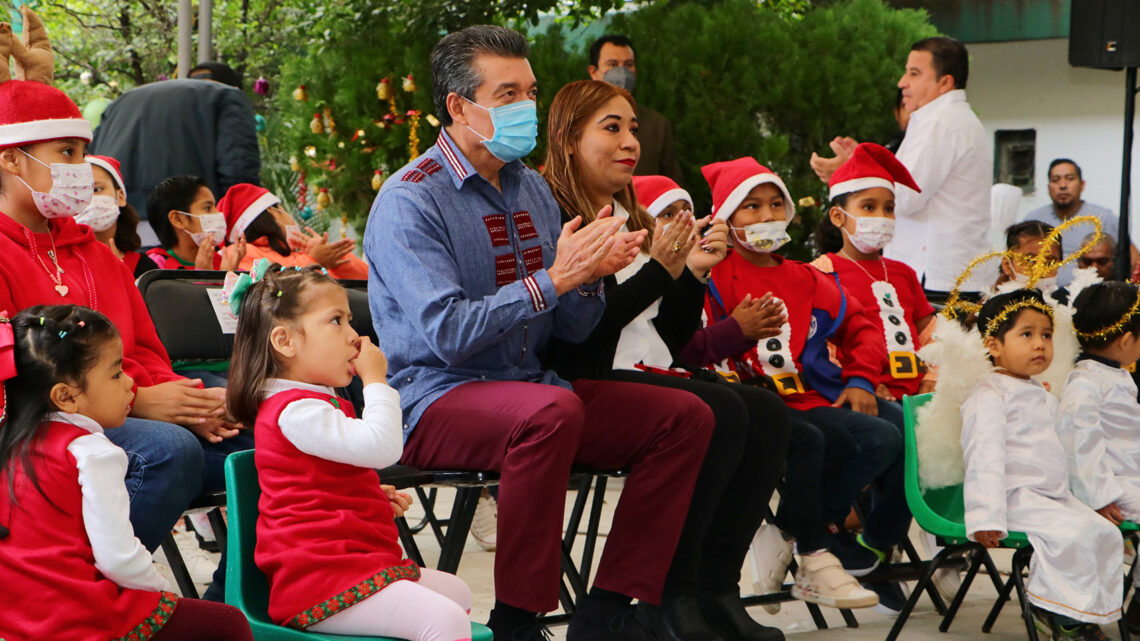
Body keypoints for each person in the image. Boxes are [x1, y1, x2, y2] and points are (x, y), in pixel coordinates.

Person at [366, 25, 715, 641]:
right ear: (458, 107)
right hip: (434, 397)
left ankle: (607, 609)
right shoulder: (409, 200)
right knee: (551, 412)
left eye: (530, 91)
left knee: (683, 417)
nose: (526, 107)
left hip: (530, 386)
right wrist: (555, 279)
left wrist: (590, 278)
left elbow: (573, 326)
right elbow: (447, 333)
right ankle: (518, 621)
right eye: (507, 95)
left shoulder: (531, 189)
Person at [540, 79, 791, 641]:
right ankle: (667, 597)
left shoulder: (628, 212)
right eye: (612, 128)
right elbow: (583, 339)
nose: (631, 140)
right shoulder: (558, 213)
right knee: (721, 410)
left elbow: (669, 341)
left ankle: (714, 588)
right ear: (569, 138)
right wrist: (658, 269)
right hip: (579, 377)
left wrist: (688, 272)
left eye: (633, 128)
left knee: (766, 412)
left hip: (642, 371)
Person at [0, 24, 230, 555]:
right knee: (166, 450)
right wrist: (136, 403)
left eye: (84, 152)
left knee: (272, 444)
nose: (81, 170)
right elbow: (22, 386)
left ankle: (241, 603)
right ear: (11, 159)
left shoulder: (92, 253)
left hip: (120, 412)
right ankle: (75, 598)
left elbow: (145, 351)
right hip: (39, 430)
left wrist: (194, 402)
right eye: (66, 152)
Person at [223, 260, 473, 639]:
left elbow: (320, 482)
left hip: (349, 564)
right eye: (336, 320)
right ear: (285, 341)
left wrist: (365, 494)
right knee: (444, 620)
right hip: (320, 579)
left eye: (350, 320)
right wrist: (376, 382)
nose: (355, 336)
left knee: (456, 593)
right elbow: (383, 448)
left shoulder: (312, 404)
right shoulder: (295, 410)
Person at [690, 156, 898, 608]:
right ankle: (816, 548)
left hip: (808, 398)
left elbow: (862, 327)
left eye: (773, 205)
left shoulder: (804, 276)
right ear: (725, 216)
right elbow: (687, 346)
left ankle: (792, 529)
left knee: (883, 437)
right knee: (827, 441)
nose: (766, 217)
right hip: (745, 402)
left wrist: (861, 378)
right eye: (750, 207)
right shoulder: (708, 273)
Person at [0, 304, 254, 641]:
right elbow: (119, 560)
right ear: (66, 397)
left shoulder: (11, 441)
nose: (130, 383)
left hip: (15, 616)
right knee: (228, 624)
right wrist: (163, 592)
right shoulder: (93, 452)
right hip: (79, 615)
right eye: (116, 374)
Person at [963, 288, 1122, 640]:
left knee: (1106, 533)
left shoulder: (1037, 391)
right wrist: (986, 516)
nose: (1040, 345)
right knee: (1075, 534)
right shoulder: (988, 394)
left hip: (1052, 497)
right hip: (1017, 497)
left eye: (1046, 335)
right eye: (1027, 334)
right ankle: (1053, 611)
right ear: (993, 345)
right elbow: (982, 457)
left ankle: (1079, 611)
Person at [811, 37, 992, 302]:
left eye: (914, 73)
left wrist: (850, 170)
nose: (902, 82)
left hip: (938, 277)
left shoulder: (941, 123)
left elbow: (905, 197)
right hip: (945, 274)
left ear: (945, 83)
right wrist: (861, 161)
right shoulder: (945, 120)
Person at [812, 142, 935, 402]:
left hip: (918, 396)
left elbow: (932, 336)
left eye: (888, 208)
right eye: (869, 207)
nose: (881, 216)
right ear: (838, 216)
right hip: (861, 394)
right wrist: (862, 384)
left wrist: (930, 380)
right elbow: (820, 345)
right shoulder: (822, 272)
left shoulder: (904, 273)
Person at [90, 60, 260, 218]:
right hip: (183, 222)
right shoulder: (229, 96)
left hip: (117, 219)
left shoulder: (121, 102)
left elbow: (89, 157)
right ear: (236, 86)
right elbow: (238, 169)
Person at [1059, 281, 1140, 524]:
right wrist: (1098, 497)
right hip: (1113, 486)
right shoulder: (1086, 384)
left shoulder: (1112, 375)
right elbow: (1077, 443)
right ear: (1125, 341)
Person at [218, 183, 368, 279]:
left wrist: (333, 258)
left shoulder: (299, 253)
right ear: (272, 212)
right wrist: (313, 262)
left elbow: (367, 279)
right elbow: (269, 293)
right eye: (284, 209)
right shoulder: (239, 252)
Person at [1025, 158, 1138, 285]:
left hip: (1092, 299)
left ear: (1082, 184)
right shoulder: (1033, 220)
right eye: (1055, 180)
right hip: (1043, 297)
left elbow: (1134, 260)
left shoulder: (1103, 217)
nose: (1063, 185)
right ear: (1048, 187)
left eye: (1070, 178)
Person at [588, 34, 682, 182]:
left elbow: (672, 184)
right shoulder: (581, 120)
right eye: (612, 64)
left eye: (628, 64)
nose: (622, 72)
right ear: (594, 72)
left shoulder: (657, 125)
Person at [80, 154, 158, 278]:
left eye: (97, 190)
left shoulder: (145, 270)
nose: (89, 200)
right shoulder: (57, 264)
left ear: (120, 196)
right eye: (79, 193)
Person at [146, 175, 246, 271]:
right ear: (178, 219)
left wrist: (229, 277)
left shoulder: (224, 263)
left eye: (214, 207)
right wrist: (204, 277)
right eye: (207, 208)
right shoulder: (155, 266)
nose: (218, 214)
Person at [992, 221, 1068, 305]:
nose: (1038, 271)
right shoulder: (987, 309)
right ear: (1007, 265)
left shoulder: (1065, 306)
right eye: (1030, 261)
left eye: (1049, 263)